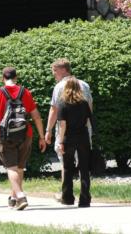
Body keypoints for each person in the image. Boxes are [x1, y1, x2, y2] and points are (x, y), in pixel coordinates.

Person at [0, 67, 46, 211]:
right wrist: (42, 137)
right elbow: (36, 116)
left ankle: (20, 195)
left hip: (5, 135)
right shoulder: (24, 92)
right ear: (16, 77)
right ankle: (14, 198)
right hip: (25, 134)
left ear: (3, 78)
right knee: (20, 167)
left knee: (11, 168)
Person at [45, 58, 93, 202]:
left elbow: (54, 110)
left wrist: (48, 130)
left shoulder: (59, 87)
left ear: (63, 70)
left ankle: (67, 195)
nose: (53, 74)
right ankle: (85, 196)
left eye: (55, 70)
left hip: (65, 132)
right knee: (84, 165)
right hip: (84, 130)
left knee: (66, 164)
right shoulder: (84, 84)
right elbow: (90, 108)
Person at [56, 76, 92, 207]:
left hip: (68, 138)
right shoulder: (84, 103)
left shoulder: (62, 103)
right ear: (78, 87)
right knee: (84, 168)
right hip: (83, 137)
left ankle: (68, 197)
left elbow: (62, 125)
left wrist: (60, 141)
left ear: (66, 88)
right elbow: (88, 121)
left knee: (67, 168)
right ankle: (85, 198)